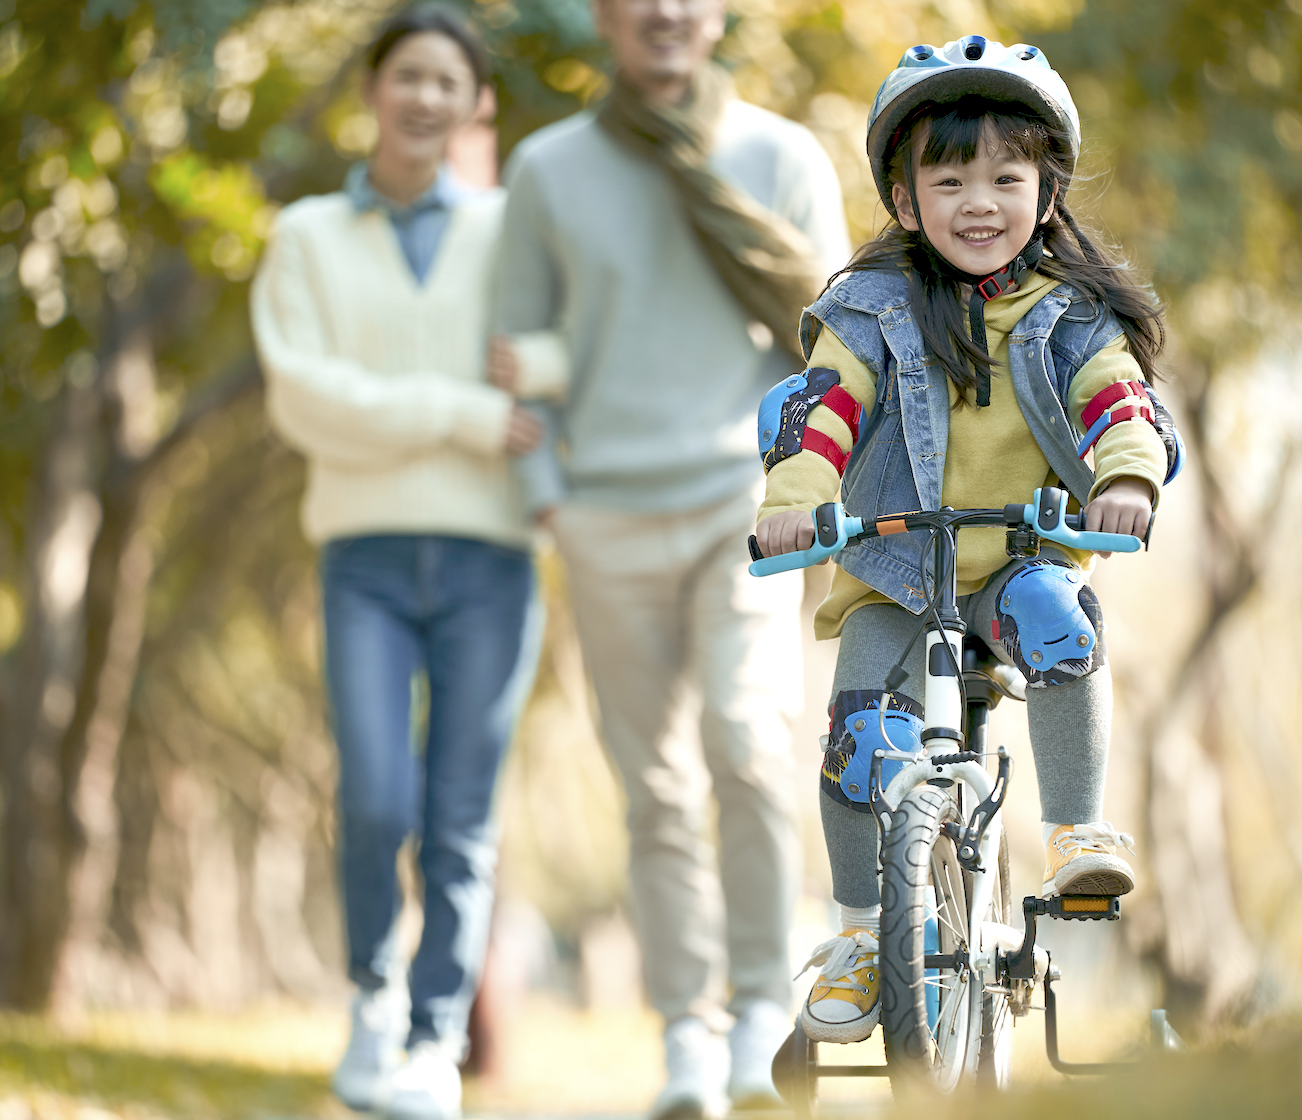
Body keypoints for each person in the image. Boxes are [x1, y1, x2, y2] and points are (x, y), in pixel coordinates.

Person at [753, 35, 1179, 1046]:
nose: (978, 202)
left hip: (1019, 558)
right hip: (900, 569)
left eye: (1005, 176)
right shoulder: (868, 309)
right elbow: (822, 409)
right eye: (948, 179)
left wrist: (1124, 474)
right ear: (904, 200)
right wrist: (798, 492)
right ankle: (862, 934)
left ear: (1047, 187)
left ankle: (1077, 831)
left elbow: (1117, 399)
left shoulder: (1068, 314)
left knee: (1063, 617)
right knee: (861, 736)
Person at [490, 1, 850, 1114]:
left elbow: (844, 343)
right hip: (603, 515)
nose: (663, 10)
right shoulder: (546, 170)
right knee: (652, 789)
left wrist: (814, 488)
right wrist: (550, 500)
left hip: (744, 507)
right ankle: (687, 1036)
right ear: (603, 14)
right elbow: (511, 350)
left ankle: (755, 1017)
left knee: (746, 743)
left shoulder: (781, 156)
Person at [250, 8, 543, 1120]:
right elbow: (307, 400)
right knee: (377, 797)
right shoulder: (306, 239)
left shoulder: (515, 232)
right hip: (364, 559)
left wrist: (529, 394)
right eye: (406, 76)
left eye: (448, 83)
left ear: (472, 105)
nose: (426, 98)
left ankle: (431, 1042)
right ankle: (372, 997)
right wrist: (466, 415)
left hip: (492, 562)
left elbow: (554, 364)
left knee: (462, 816)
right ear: (373, 90)